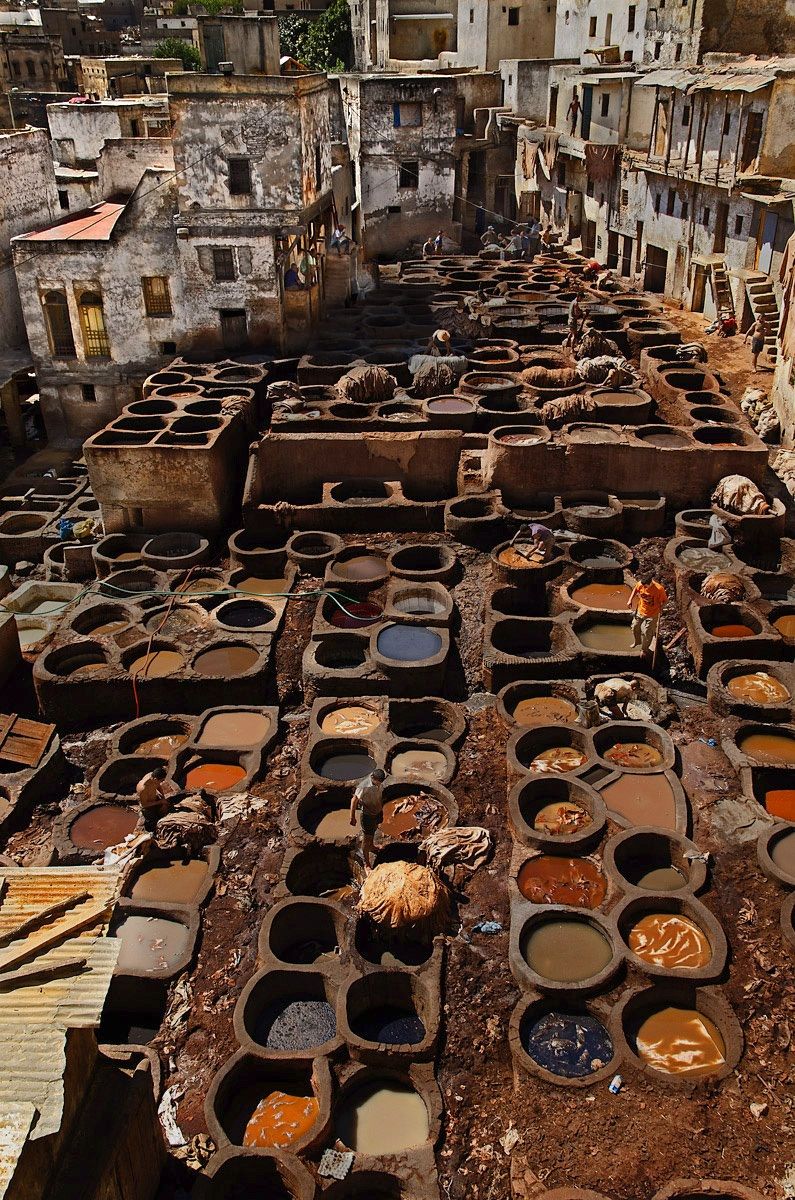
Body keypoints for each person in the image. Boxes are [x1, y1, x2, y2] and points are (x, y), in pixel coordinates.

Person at [350, 767, 387, 869]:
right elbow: (354, 800)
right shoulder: (363, 786)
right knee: (366, 839)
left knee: (373, 831)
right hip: (368, 816)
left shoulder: (378, 783)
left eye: (380, 782)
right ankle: (366, 862)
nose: (379, 784)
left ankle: (372, 847)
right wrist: (352, 817)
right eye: (378, 782)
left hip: (377, 812)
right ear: (372, 777)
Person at [628, 572, 668, 657]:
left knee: (648, 632)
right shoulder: (640, 584)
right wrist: (630, 600)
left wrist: (661, 608)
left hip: (652, 614)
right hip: (641, 610)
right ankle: (637, 641)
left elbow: (665, 601)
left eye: (646, 586)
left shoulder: (659, 589)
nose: (644, 587)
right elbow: (635, 589)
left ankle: (644, 649)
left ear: (650, 583)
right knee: (635, 626)